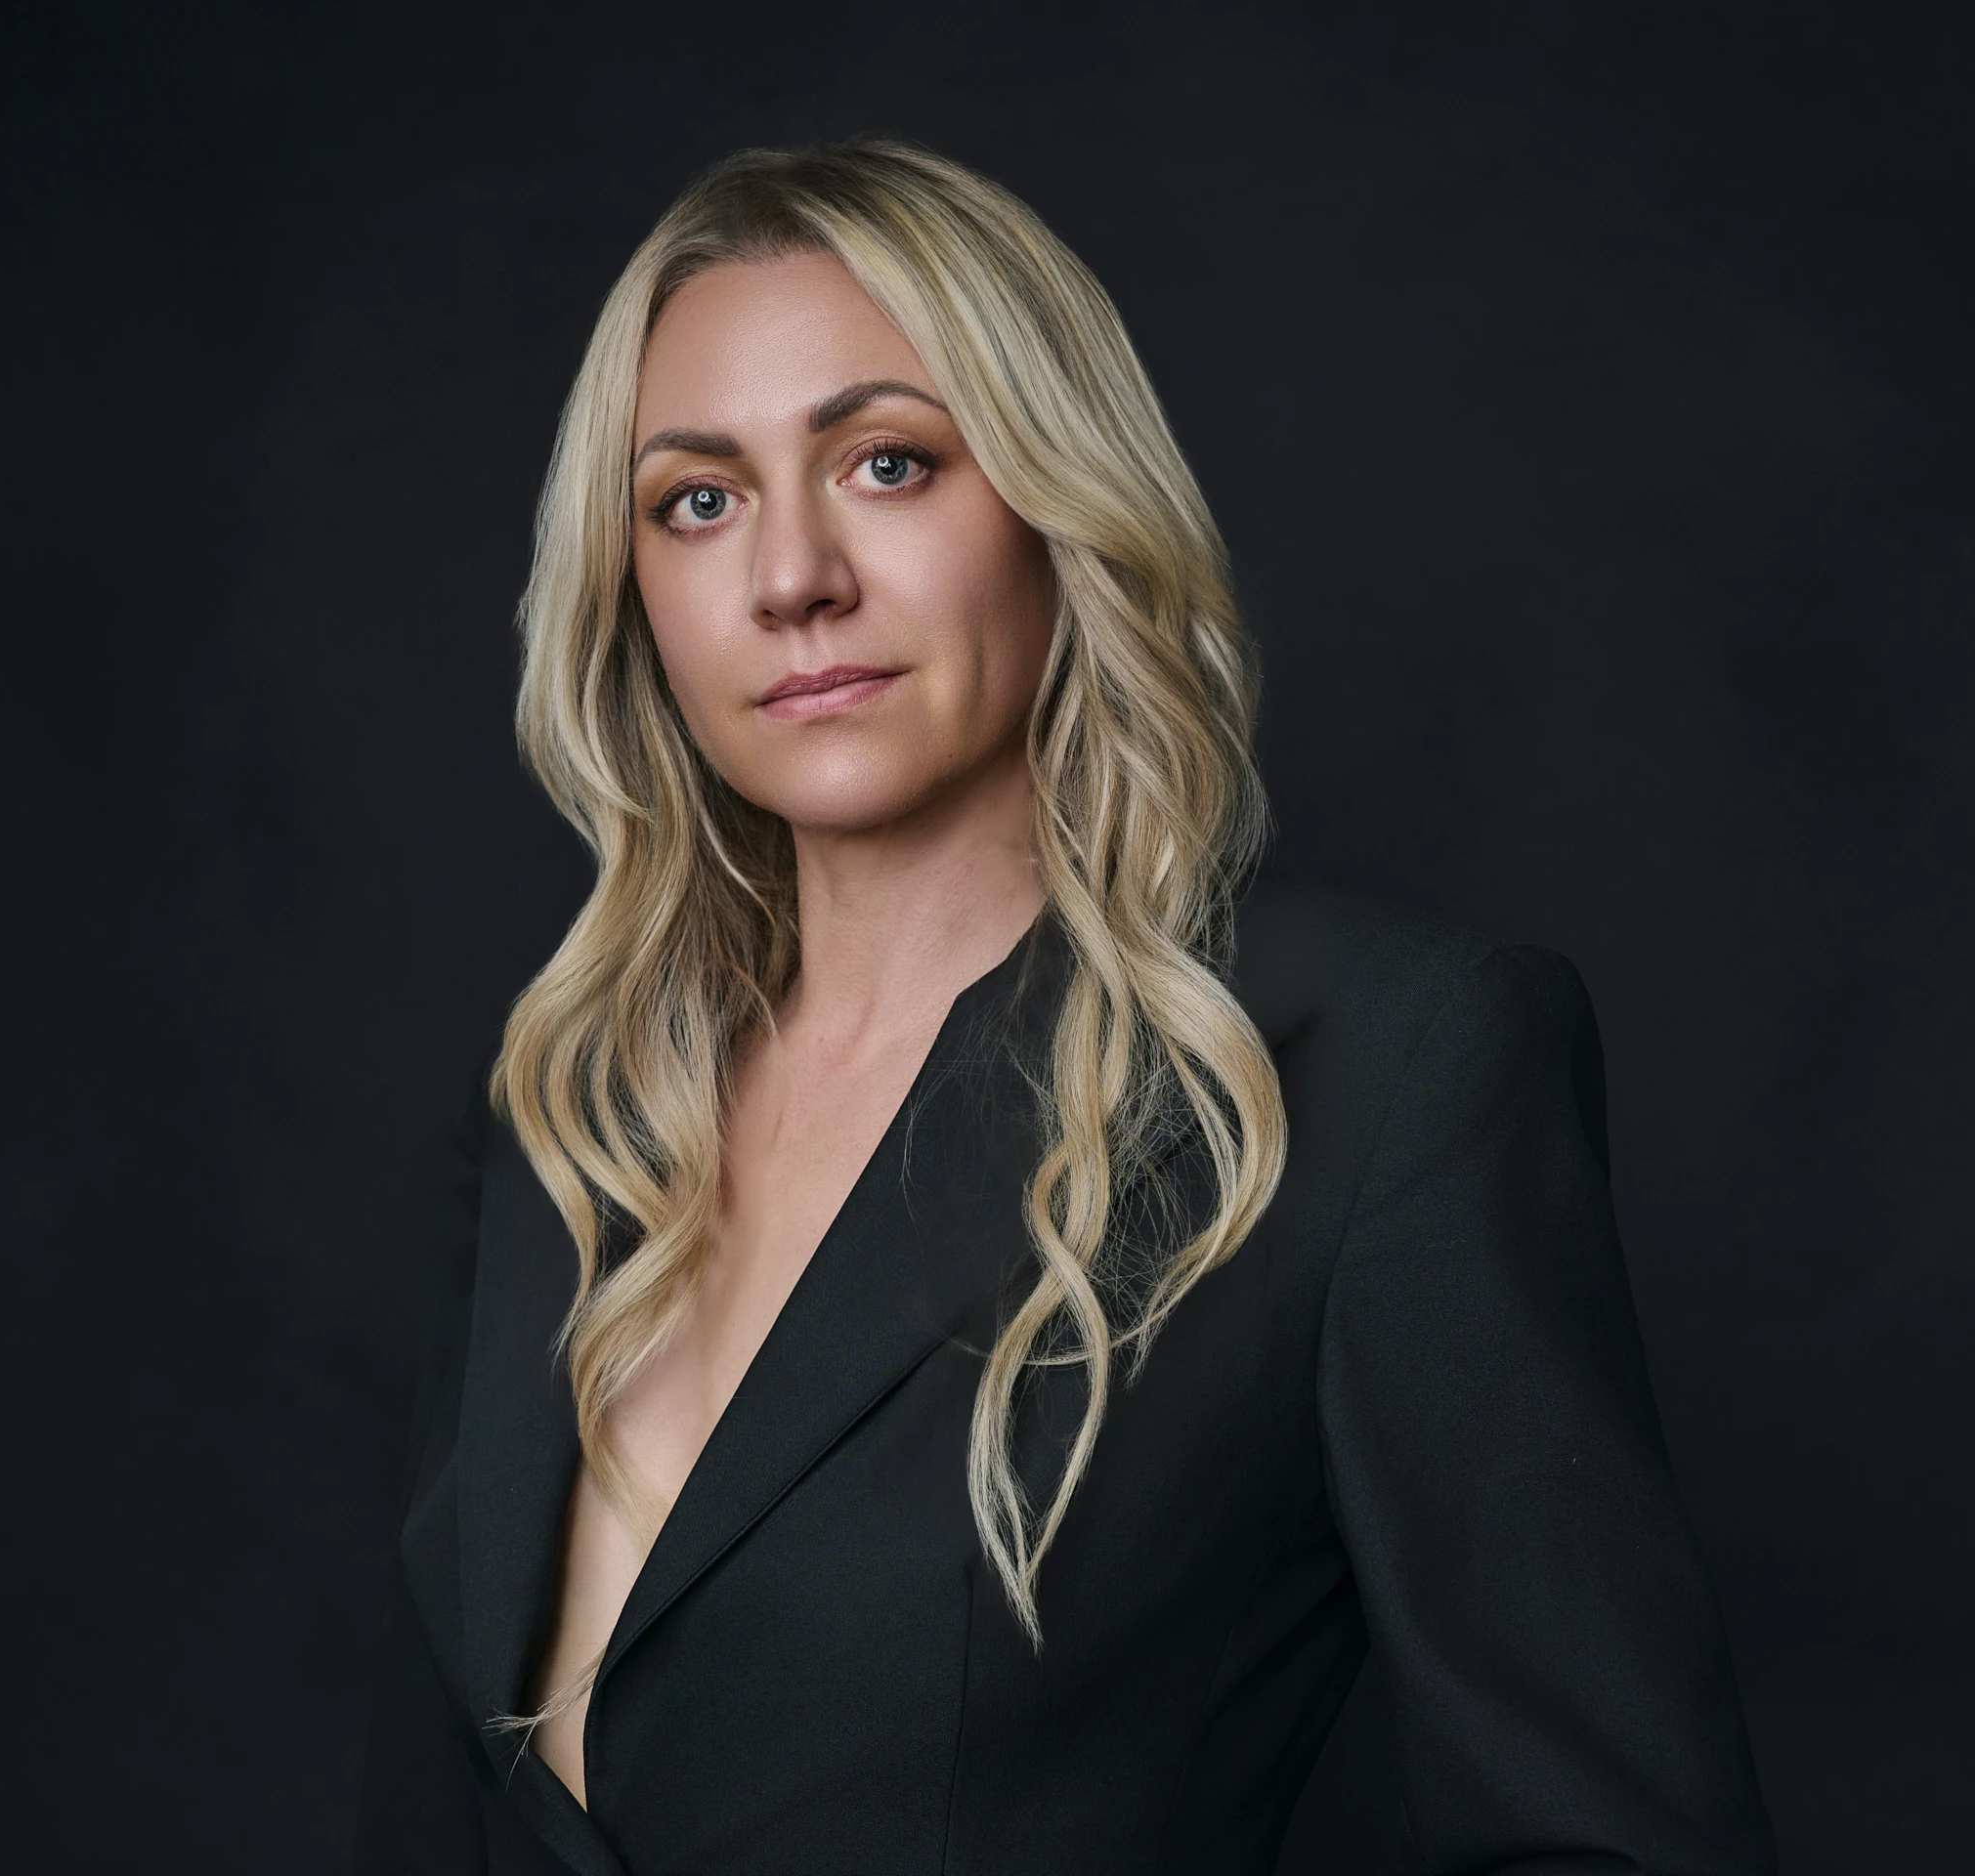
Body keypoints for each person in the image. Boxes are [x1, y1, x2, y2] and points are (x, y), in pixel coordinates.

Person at [354, 140, 1775, 1875]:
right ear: (631, 583)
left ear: (1052, 493)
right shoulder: (572, 1119)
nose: (789, 576)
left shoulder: (1382, 1072)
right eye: (696, 499)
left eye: (887, 462)